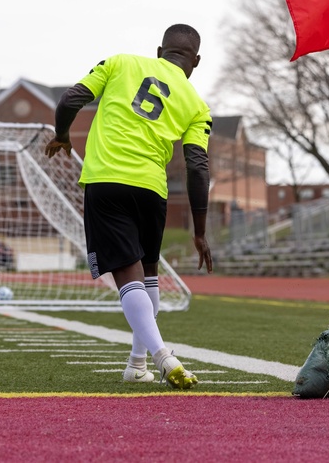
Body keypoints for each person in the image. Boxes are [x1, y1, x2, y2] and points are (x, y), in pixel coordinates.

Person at [44, 24, 213, 389]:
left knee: (126, 275)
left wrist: (62, 135)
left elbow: (69, 100)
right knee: (148, 274)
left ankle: (163, 357)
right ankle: (137, 365)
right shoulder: (198, 106)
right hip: (153, 190)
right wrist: (199, 231)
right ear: (195, 61)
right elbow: (198, 166)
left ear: (159, 50)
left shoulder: (120, 62)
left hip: (107, 181)